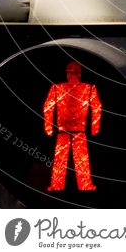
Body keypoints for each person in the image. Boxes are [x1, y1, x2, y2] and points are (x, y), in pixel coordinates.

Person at [43, 60, 102, 192]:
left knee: (74, 159)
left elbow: (48, 107)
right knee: (65, 160)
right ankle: (65, 186)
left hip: (75, 131)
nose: (74, 75)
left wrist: (95, 127)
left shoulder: (87, 88)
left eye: (75, 72)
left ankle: (81, 185)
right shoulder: (85, 88)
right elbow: (48, 107)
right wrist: (94, 127)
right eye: (73, 72)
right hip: (68, 130)